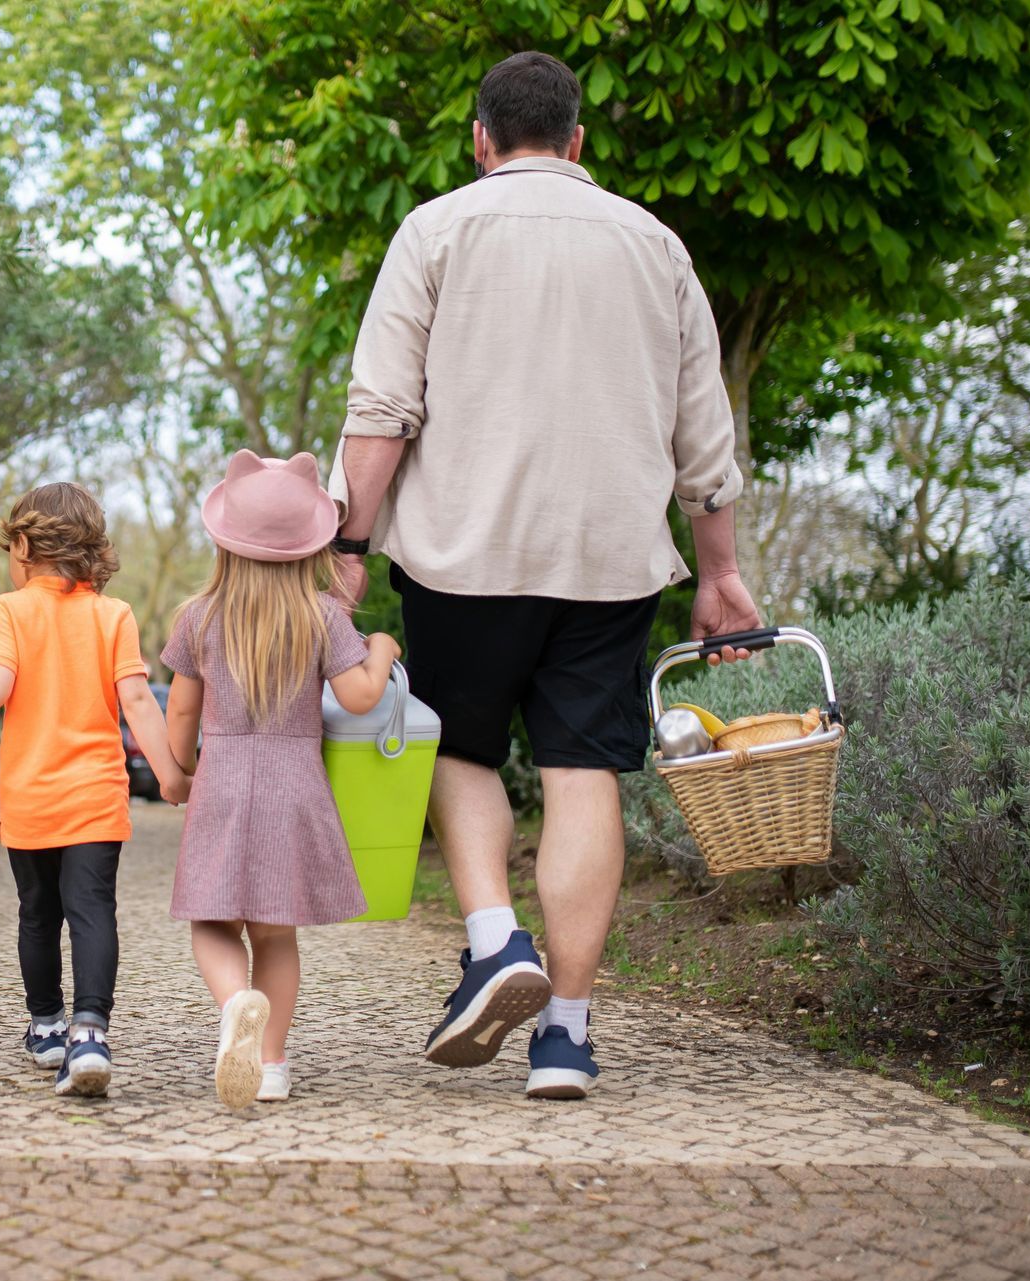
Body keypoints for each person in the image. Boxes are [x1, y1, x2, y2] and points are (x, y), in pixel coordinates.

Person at [328, 52, 761, 1100]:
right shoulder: (656, 246)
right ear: (577, 143)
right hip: (610, 560)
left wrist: (347, 544)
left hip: (462, 554)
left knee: (462, 750)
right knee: (582, 773)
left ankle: (493, 943)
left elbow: (382, 412)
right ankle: (564, 1034)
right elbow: (703, 432)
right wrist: (720, 573)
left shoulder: (435, 230)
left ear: (482, 140)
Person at [163, 450, 402, 1109]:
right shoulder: (323, 615)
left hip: (222, 782)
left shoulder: (199, 615)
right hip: (295, 785)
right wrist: (381, 649)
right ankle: (270, 1065)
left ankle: (236, 1001)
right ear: (310, 546)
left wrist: (179, 770)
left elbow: (181, 710)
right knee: (276, 931)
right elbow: (358, 696)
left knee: (213, 922)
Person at [0, 483, 188, 1097]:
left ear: (22, 545)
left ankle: (46, 1025)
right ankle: (90, 1032)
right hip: (97, 797)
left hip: (31, 798)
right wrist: (175, 775)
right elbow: (135, 702)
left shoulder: (10, 608)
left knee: (38, 914)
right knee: (93, 910)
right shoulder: (114, 614)